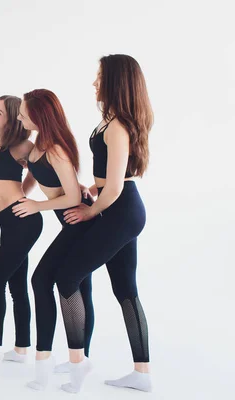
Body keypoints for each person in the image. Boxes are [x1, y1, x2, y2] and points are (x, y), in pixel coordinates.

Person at [55, 54, 154, 393]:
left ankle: (78, 362)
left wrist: (89, 210)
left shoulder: (117, 126)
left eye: (99, 77)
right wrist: (90, 188)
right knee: (125, 289)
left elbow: (114, 187)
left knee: (67, 276)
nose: (95, 83)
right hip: (119, 207)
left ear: (115, 81)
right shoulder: (111, 121)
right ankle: (141, 373)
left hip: (120, 209)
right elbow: (109, 179)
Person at [12, 88, 96, 390]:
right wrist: (18, 192)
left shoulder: (57, 149)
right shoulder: (37, 146)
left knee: (43, 281)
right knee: (77, 288)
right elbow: (34, 177)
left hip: (79, 223)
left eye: (24, 111)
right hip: (68, 224)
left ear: (39, 115)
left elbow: (73, 196)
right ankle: (79, 359)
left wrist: (36, 206)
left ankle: (66, 361)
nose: (20, 115)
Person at [0, 95, 42, 383]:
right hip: (5, 222)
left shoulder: (21, 147)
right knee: (16, 284)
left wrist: (26, 196)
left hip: (23, 221)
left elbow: (44, 168)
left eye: (0, 112)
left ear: (13, 118)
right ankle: (21, 348)